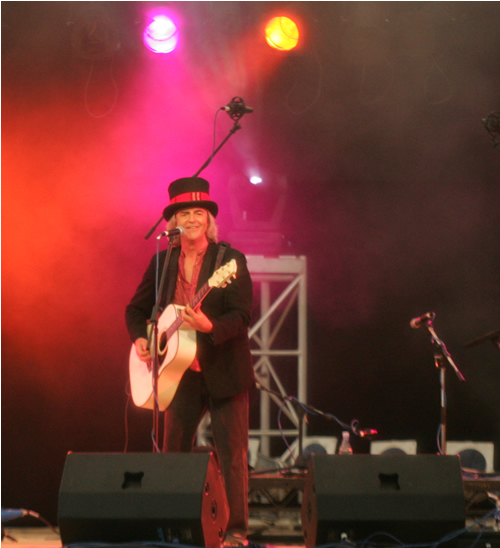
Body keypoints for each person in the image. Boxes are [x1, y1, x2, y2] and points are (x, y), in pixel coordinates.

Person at [125, 177, 255, 547]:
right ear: (173, 222)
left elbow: (242, 315)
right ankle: (174, 526)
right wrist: (141, 337)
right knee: (172, 452)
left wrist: (209, 325)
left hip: (224, 369)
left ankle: (236, 532)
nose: (193, 218)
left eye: (200, 212)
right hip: (177, 373)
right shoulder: (162, 261)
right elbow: (136, 309)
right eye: (185, 213)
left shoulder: (229, 261)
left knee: (231, 455)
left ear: (209, 219)